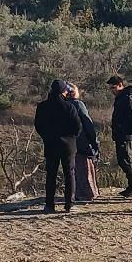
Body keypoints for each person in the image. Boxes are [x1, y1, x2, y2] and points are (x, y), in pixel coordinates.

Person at [33, 79, 81, 215]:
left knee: (51, 174)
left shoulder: (42, 107)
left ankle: (49, 205)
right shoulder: (69, 107)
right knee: (69, 174)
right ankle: (69, 204)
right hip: (68, 145)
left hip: (50, 144)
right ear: (63, 91)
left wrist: (46, 137)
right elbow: (77, 127)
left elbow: (38, 126)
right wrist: (70, 137)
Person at [108, 74, 132, 197]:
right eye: (110, 88)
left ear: (120, 85)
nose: (112, 91)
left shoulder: (128, 98)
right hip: (121, 134)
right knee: (123, 160)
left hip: (127, 135)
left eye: (113, 88)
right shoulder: (121, 98)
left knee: (126, 160)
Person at [67, 83, 99, 203]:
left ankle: (76, 193)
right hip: (82, 142)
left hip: (68, 143)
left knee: (73, 169)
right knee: (85, 168)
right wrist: (94, 141)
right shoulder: (78, 105)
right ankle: (88, 193)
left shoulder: (62, 105)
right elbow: (87, 123)